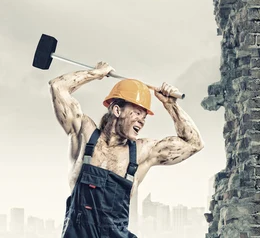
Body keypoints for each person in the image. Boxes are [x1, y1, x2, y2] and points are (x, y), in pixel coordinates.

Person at [48, 61, 204, 238]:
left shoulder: (141, 152)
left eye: (144, 117)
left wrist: (171, 105)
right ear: (116, 110)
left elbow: (194, 143)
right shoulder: (84, 133)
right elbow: (58, 86)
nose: (142, 121)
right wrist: (96, 73)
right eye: (137, 113)